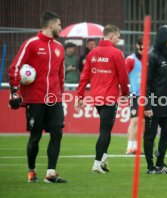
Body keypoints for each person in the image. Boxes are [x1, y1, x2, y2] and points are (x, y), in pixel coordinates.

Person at [8, 11, 68, 183]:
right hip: (35, 100)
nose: (60, 28)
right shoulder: (31, 44)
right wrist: (14, 92)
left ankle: (50, 173)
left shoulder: (59, 47)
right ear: (51, 25)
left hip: (54, 99)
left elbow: (60, 74)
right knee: (35, 137)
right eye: (59, 24)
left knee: (57, 133)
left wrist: (60, 95)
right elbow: (15, 68)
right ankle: (32, 170)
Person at [75, 24, 129, 174]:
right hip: (110, 97)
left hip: (96, 97)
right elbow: (123, 77)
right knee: (105, 130)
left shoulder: (92, 53)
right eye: (118, 37)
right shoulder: (117, 53)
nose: (118, 39)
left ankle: (103, 160)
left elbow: (84, 76)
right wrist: (125, 93)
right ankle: (97, 163)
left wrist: (80, 96)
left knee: (106, 129)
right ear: (111, 36)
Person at [144, 25, 167, 174]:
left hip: (165, 104)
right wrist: (147, 106)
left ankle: (160, 163)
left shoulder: (165, 56)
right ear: (164, 40)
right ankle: (150, 167)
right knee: (150, 136)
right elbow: (146, 84)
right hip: (153, 104)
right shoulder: (151, 57)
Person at [125, 37, 143, 155]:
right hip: (134, 94)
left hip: (145, 95)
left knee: (140, 122)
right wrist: (126, 91)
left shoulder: (147, 60)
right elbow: (123, 75)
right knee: (134, 120)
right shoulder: (131, 59)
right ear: (138, 45)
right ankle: (129, 147)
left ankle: (136, 148)